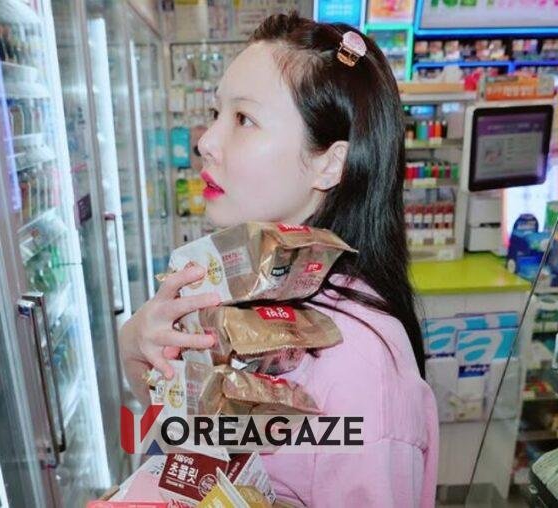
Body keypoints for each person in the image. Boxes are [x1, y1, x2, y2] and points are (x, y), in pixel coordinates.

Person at [119, 12, 438, 508]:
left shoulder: (360, 368)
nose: (205, 141)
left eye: (244, 119)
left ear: (328, 163)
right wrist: (139, 348)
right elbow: (190, 438)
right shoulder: (246, 283)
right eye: (217, 112)